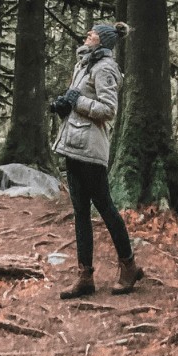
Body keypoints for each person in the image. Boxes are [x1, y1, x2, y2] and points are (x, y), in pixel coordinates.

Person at [51, 20, 143, 300]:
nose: (86, 36)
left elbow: (109, 109)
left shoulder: (105, 69)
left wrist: (77, 102)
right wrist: (64, 104)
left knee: (104, 207)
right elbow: (77, 98)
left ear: (101, 41)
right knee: (80, 212)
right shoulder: (83, 65)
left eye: (91, 35)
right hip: (73, 146)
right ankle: (84, 276)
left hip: (91, 149)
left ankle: (128, 266)